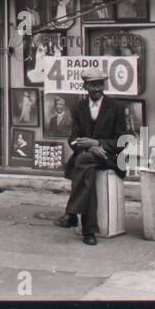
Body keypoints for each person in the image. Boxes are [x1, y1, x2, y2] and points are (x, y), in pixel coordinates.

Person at [54, 72, 129, 245]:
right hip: (88, 157)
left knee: (82, 161)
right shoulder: (78, 108)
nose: (97, 89)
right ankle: (89, 231)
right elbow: (72, 139)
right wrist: (89, 147)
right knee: (87, 169)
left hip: (111, 156)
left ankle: (71, 214)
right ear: (85, 86)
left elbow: (123, 140)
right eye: (93, 85)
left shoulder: (116, 107)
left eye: (100, 85)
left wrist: (97, 144)